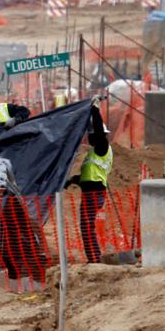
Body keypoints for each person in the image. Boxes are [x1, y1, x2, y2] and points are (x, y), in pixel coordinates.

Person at [67, 103, 111, 263]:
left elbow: (98, 131)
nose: (89, 138)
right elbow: (89, 176)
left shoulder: (102, 147)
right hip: (90, 192)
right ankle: (93, 258)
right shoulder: (95, 152)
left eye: (91, 135)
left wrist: (95, 111)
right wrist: (73, 181)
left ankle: (94, 259)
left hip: (94, 194)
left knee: (87, 227)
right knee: (86, 227)